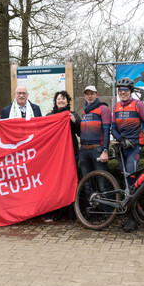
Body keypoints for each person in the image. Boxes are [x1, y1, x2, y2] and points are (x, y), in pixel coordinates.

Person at [111, 77, 144, 232]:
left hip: (134, 147)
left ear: (131, 91)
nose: (122, 93)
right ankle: (126, 215)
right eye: (120, 91)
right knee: (125, 182)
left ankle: (134, 219)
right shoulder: (116, 107)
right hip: (122, 146)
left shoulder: (138, 104)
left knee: (132, 181)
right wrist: (120, 139)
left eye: (125, 90)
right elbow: (113, 129)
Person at [43, 90, 81, 222]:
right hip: (55, 156)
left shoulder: (73, 114)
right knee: (55, 182)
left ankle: (71, 211)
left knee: (70, 182)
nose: (61, 101)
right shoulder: (49, 115)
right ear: (55, 101)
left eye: (63, 99)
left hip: (71, 154)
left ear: (67, 101)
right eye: (59, 99)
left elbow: (81, 132)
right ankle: (57, 211)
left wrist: (74, 121)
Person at [79, 85, 112, 178]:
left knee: (102, 181)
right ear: (84, 96)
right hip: (84, 150)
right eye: (87, 94)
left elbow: (106, 131)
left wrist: (105, 150)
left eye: (92, 94)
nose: (89, 96)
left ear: (96, 95)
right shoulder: (84, 111)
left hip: (97, 149)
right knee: (87, 182)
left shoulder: (104, 109)